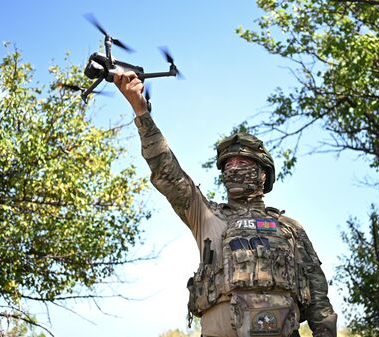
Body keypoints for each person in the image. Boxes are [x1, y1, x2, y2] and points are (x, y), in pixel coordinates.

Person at [114, 71, 337, 337]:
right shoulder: (207, 215)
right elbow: (167, 172)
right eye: (228, 165)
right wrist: (141, 113)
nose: (233, 168)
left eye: (242, 163)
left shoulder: (289, 229)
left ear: (263, 173)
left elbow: (320, 303)